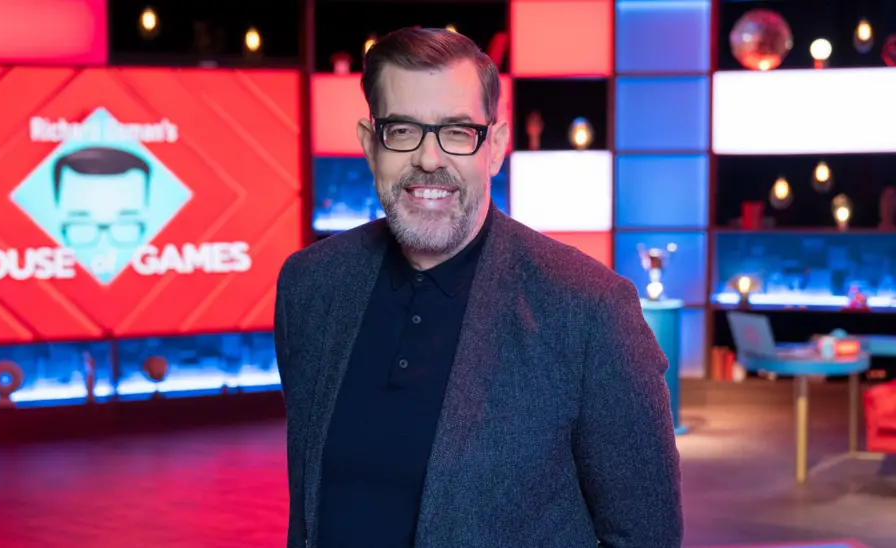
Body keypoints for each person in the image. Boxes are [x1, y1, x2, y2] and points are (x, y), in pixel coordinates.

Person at [274, 27, 682, 548]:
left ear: (495, 147)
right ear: (370, 145)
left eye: (457, 131)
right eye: (402, 129)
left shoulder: (590, 310)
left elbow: (646, 536)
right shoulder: (310, 285)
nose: (429, 159)